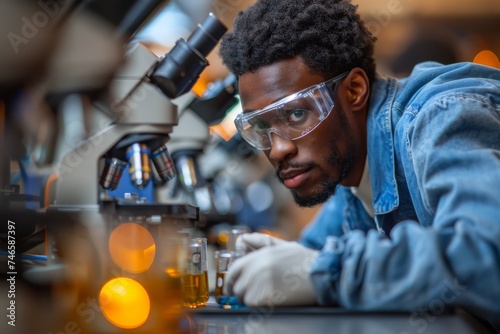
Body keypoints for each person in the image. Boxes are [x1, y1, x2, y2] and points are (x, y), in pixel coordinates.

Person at [217, 0, 500, 329]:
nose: (278, 150)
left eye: (296, 114)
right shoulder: (350, 173)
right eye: (262, 127)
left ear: (354, 90)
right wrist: (282, 260)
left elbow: (486, 257)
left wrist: (324, 271)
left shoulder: (441, 117)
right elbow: (316, 253)